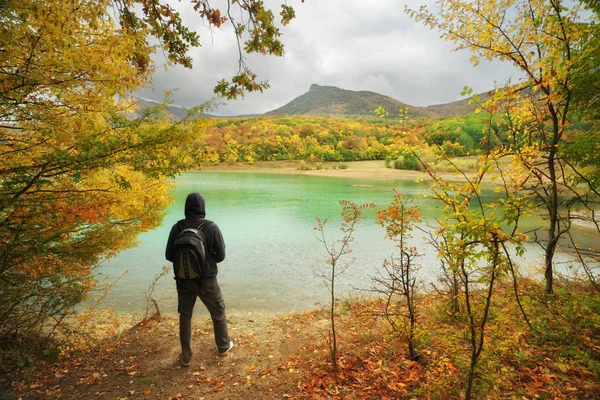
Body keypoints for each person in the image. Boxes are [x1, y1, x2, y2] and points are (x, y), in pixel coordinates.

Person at [165, 192, 233, 367]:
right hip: (207, 280)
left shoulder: (177, 227)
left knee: (185, 316)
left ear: (186, 208)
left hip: (183, 280)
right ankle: (223, 346)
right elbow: (221, 256)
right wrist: (206, 263)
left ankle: (186, 356)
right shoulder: (211, 227)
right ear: (203, 207)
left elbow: (169, 256)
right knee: (218, 312)